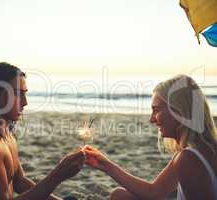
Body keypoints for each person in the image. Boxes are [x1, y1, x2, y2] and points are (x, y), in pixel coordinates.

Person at [0, 62, 85, 200]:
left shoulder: (6, 132)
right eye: (18, 94)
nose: (25, 102)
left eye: (25, 94)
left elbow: (20, 181)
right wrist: (57, 176)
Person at [83, 75, 217, 200]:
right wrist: (105, 164)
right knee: (119, 195)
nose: (151, 119)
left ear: (179, 111)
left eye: (156, 110)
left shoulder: (188, 158)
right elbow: (155, 191)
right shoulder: (201, 149)